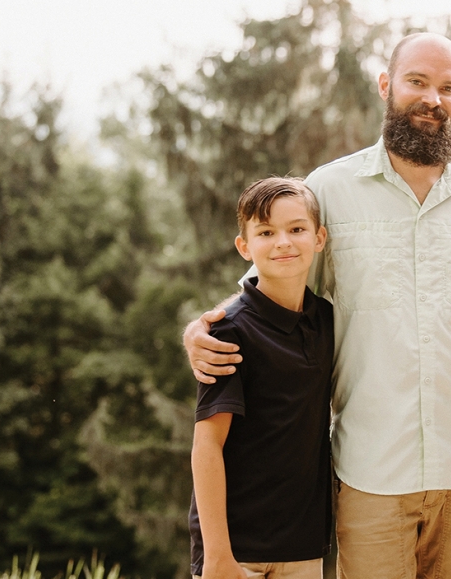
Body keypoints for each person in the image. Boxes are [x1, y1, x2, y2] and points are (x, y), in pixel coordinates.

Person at [183, 32, 451, 579]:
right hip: (370, 470)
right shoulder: (329, 189)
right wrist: (200, 330)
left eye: (448, 87)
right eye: (417, 81)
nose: (431, 98)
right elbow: (268, 283)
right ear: (387, 85)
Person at [189, 177, 332, 579]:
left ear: (319, 238)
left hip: (302, 546)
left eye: (297, 229)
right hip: (237, 551)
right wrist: (218, 555)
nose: (283, 242)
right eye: (266, 232)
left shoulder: (327, 321)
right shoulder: (228, 332)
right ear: (244, 247)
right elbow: (207, 446)